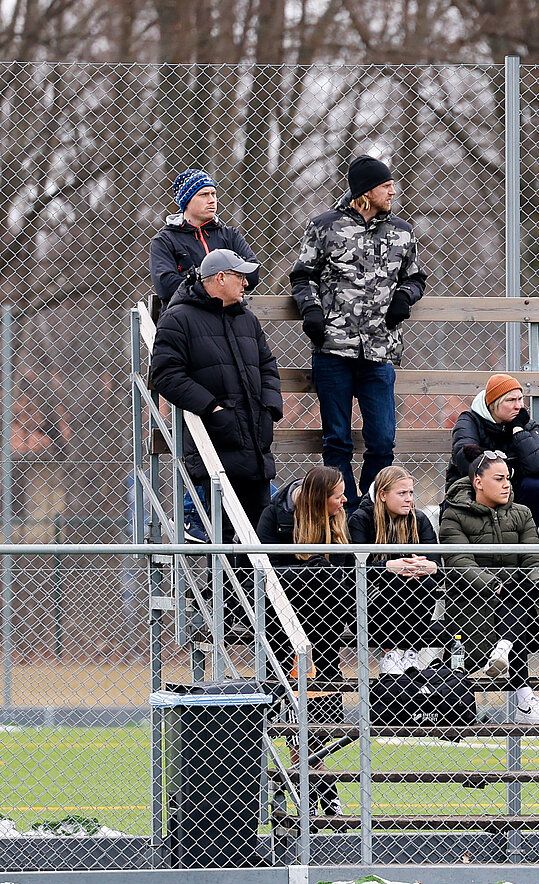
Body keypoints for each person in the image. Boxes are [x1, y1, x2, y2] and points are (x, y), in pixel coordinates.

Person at [290, 154, 428, 505]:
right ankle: (343, 507)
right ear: (365, 191)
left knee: (382, 439)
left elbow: (415, 278)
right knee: (337, 439)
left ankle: (369, 505)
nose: (393, 191)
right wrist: (312, 312)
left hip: (379, 350)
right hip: (333, 348)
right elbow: (302, 275)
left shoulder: (402, 232)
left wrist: (404, 298)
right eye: (386, 185)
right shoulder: (324, 226)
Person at [149, 248, 281, 536]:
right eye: (240, 277)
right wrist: (213, 409)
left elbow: (268, 365)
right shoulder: (178, 318)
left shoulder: (247, 320)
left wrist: (269, 408)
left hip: (256, 444)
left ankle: (250, 583)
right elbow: (166, 374)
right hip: (215, 443)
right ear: (220, 278)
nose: (246, 283)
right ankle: (218, 583)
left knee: (259, 534)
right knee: (220, 535)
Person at [436, 452, 539, 725]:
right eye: (499, 479)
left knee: (523, 591)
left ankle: (504, 649)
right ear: (478, 482)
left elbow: (535, 559)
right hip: (473, 602)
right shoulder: (453, 514)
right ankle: (523, 700)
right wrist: (495, 585)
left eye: (508, 479)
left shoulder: (522, 512)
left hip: (518, 599)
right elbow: (459, 562)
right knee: (515, 593)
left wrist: (537, 583)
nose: (507, 485)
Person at [256, 466, 356, 680]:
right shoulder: (274, 514)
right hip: (281, 604)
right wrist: (310, 573)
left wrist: (321, 572)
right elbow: (268, 573)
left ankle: (329, 679)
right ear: (320, 499)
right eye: (338, 496)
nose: (345, 500)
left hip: (325, 607)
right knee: (318, 579)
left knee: (329, 590)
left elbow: (340, 578)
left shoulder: (338, 519)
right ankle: (274, 702)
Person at [346, 466, 440, 674]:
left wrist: (428, 567)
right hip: (369, 608)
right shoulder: (361, 519)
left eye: (411, 493)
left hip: (411, 610)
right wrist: (388, 567)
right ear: (382, 495)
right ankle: (389, 652)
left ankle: (411, 653)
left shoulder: (419, 519)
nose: (409, 499)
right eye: (402, 493)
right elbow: (353, 572)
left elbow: (438, 567)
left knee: (425, 581)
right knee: (395, 580)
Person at [149, 169, 260, 306]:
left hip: (230, 315)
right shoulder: (165, 240)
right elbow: (166, 287)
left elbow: (252, 275)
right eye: (204, 195)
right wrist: (228, 278)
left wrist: (193, 277)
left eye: (213, 194)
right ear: (187, 201)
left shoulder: (230, 235)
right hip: (186, 317)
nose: (212, 200)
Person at [448, 374, 539, 520]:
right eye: (511, 400)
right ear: (494, 404)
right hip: (478, 488)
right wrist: (513, 469)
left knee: (534, 485)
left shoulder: (526, 425)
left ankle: (528, 536)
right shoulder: (469, 421)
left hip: (514, 488)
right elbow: (468, 462)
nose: (519, 406)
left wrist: (518, 431)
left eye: (520, 399)